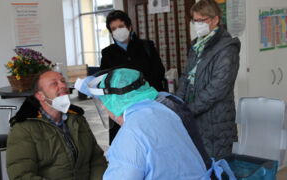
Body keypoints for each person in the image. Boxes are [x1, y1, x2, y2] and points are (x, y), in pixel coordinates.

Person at [75, 68, 236, 180]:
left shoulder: (132, 134)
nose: (104, 107)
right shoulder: (168, 107)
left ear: (113, 101)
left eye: (104, 102)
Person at [6, 70, 107, 180]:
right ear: (40, 96)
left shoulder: (77, 119)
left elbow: (96, 158)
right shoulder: (23, 129)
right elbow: (21, 176)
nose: (63, 85)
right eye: (54, 83)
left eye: (63, 81)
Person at [176, 0, 240, 160]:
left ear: (215, 20)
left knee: (216, 169)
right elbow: (186, 77)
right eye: (194, 20)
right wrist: (176, 104)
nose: (197, 25)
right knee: (198, 166)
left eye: (201, 20)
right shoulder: (197, 46)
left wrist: (188, 110)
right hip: (194, 119)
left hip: (216, 122)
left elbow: (217, 88)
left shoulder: (227, 48)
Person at [101, 10, 166, 144]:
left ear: (129, 27)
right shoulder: (108, 53)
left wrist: (140, 93)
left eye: (121, 26)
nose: (118, 31)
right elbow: (105, 83)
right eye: (113, 29)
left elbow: (159, 72)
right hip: (122, 110)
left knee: (152, 142)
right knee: (128, 145)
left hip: (148, 104)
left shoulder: (146, 46)